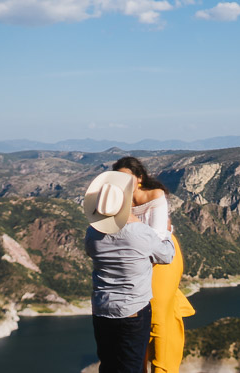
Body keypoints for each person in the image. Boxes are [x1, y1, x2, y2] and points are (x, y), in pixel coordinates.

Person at [84, 169, 176, 373]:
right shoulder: (139, 232)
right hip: (132, 311)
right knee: (132, 366)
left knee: (108, 365)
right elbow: (167, 256)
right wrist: (167, 233)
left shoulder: (91, 234)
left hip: (102, 309)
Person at [112, 156, 195, 373]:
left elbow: (158, 238)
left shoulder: (155, 195)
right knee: (139, 317)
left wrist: (132, 222)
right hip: (138, 260)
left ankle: (164, 368)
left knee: (158, 314)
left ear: (139, 178)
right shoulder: (119, 202)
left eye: (126, 178)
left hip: (163, 258)